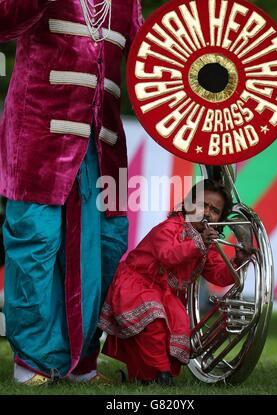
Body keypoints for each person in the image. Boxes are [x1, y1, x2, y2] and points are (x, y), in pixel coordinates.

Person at [0, 0, 143, 385]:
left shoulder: (128, 5)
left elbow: (157, 65)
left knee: (106, 247)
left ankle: (81, 362)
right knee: (36, 244)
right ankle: (33, 360)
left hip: (104, 147)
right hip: (37, 142)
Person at [98, 179, 251, 386]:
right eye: (201, 205)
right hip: (138, 285)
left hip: (164, 295)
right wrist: (198, 243)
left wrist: (238, 261)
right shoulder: (170, 227)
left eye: (214, 210)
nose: (206, 213)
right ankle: (161, 377)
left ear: (220, 219)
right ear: (188, 205)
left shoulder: (206, 242)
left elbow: (219, 276)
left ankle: (151, 377)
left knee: (174, 330)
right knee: (155, 324)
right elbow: (167, 255)